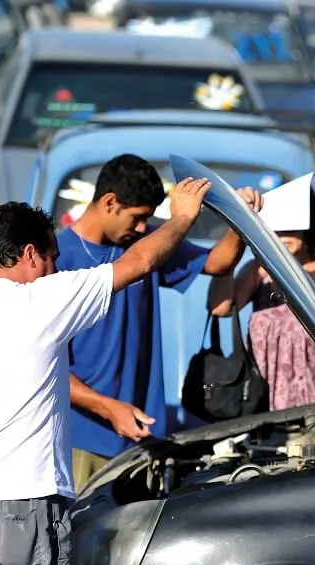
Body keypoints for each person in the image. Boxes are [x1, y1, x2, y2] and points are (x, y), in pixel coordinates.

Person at [0, 178, 211, 565]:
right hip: (23, 508)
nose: (56, 269)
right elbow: (140, 262)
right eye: (53, 258)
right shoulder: (42, 299)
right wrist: (182, 217)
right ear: (31, 255)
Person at [56, 154, 263, 491]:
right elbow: (44, 365)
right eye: (138, 218)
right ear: (109, 202)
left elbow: (217, 261)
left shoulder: (147, 245)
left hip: (142, 443)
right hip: (81, 444)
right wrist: (109, 409)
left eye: (148, 220)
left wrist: (240, 219)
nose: (141, 229)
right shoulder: (60, 259)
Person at [208, 189, 315, 411]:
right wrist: (233, 242)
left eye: (290, 226)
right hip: (258, 412)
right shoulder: (257, 273)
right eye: (275, 227)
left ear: (308, 227)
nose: (282, 234)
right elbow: (219, 308)